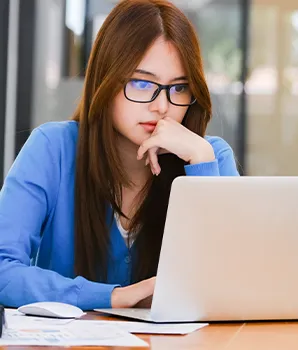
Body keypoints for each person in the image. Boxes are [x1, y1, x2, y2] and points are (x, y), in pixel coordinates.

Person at [0, 0, 239, 311]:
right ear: (106, 80)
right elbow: (3, 271)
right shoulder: (52, 148)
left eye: (179, 88)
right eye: (141, 83)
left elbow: (233, 283)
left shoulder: (209, 157)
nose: (162, 106)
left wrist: (202, 166)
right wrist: (112, 297)